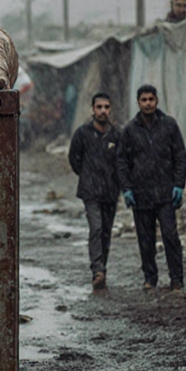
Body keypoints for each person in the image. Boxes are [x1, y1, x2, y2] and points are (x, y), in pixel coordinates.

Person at [117, 85, 186, 291]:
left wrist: (179, 185)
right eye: (144, 100)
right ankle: (150, 277)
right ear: (138, 103)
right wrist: (127, 188)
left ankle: (177, 278)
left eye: (151, 99)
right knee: (145, 239)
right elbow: (122, 162)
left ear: (156, 101)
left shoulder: (169, 125)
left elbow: (180, 157)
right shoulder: (130, 130)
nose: (148, 103)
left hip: (166, 193)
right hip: (140, 194)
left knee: (170, 236)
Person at [68, 93, 121, 290]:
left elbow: (122, 162)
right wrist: (87, 175)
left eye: (106, 107)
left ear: (110, 109)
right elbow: (74, 159)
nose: (102, 111)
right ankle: (97, 270)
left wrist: (117, 184)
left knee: (106, 231)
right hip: (90, 191)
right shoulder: (82, 133)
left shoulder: (116, 135)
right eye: (99, 107)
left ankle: (102, 267)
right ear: (92, 109)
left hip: (110, 192)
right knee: (96, 228)